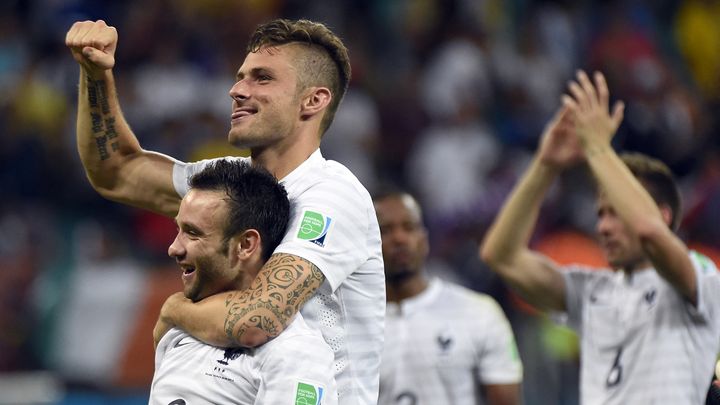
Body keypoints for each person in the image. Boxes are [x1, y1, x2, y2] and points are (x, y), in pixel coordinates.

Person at [65, 18, 384, 404]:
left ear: (313, 100)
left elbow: (259, 317)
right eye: (240, 77)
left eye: (262, 78)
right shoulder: (226, 185)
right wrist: (95, 73)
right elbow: (116, 171)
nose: (236, 90)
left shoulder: (331, 193)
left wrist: (175, 310)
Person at [480, 70, 720, 404]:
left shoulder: (700, 279)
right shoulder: (593, 291)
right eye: (600, 214)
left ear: (664, 215)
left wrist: (597, 147)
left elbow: (650, 232)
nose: (603, 227)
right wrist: (545, 165)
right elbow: (500, 256)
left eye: (615, 213)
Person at [150, 159, 337, 404]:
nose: (174, 248)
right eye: (178, 230)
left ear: (245, 245)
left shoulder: (295, 353)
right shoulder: (179, 327)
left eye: (193, 233)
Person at [374, 190, 522, 405]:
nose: (399, 238)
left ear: (424, 239)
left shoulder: (479, 313)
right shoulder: (347, 323)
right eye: (385, 230)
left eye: (409, 227)